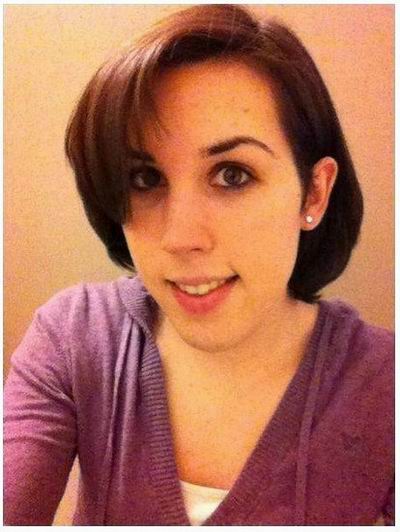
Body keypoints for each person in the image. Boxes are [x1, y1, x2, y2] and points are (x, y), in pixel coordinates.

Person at [4, 4, 394, 526]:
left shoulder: (383, 387)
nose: (180, 238)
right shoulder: (74, 339)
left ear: (314, 193)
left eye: (233, 174)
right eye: (145, 179)